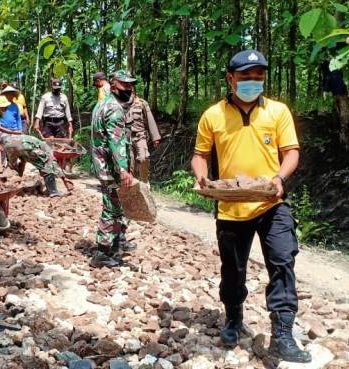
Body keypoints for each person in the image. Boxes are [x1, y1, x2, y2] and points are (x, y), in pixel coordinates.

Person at [190, 50, 310, 363]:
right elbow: (200, 155)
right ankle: (233, 317)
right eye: (245, 77)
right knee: (233, 271)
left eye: (258, 77)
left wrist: (280, 177)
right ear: (230, 78)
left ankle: (283, 335)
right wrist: (203, 179)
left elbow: (291, 152)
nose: (253, 82)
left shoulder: (277, 111)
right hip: (231, 206)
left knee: (283, 262)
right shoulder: (213, 115)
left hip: (271, 203)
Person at [89, 70, 137, 268]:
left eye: (131, 85)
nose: (129, 89)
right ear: (114, 84)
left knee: (115, 206)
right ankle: (102, 252)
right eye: (125, 85)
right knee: (111, 208)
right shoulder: (114, 108)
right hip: (110, 167)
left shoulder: (102, 103)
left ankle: (116, 243)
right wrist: (124, 170)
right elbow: (116, 143)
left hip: (102, 164)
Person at [2, 134, 73, 198]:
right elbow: (52, 162)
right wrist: (64, 178)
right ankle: (53, 192)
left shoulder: (29, 139)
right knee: (46, 166)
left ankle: (15, 187)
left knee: (12, 166)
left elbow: (22, 161)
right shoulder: (46, 147)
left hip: (8, 144)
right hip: (27, 147)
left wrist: (19, 175)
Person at [127, 90, 161, 182]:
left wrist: (155, 138)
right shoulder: (121, 103)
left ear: (134, 93)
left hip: (140, 136)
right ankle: (131, 183)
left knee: (143, 158)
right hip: (126, 138)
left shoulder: (142, 103)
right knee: (129, 162)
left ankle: (145, 181)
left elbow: (150, 120)